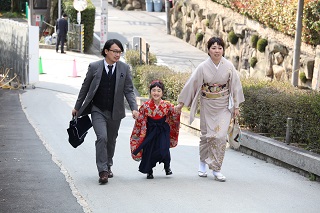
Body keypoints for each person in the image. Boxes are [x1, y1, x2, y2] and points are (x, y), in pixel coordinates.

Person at [175, 36, 245, 182]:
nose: (217, 50)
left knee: (219, 136)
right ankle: (202, 163)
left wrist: (236, 105)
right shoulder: (202, 67)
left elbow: (236, 86)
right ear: (208, 50)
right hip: (207, 103)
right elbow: (192, 84)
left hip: (224, 105)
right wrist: (181, 103)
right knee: (207, 136)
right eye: (213, 48)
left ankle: (216, 168)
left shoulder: (229, 66)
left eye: (220, 48)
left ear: (223, 50)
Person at [72, 39, 139, 184]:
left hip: (116, 112)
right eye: (115, 51)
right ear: (106, 51)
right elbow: (85, 88)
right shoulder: (94, 67)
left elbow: (129, 90)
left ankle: (108, 165)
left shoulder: (124, 68)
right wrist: (77, 107)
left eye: (120, 52)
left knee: (111, 140)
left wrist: (134, 108)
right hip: (98, 109)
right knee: (102, 137)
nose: (117, 54)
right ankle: (102, 171)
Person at [130, 80, 181, 179]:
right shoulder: (145, 106)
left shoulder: (167, 105)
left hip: (163, 129)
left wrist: (178, 109)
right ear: (150, 92)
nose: (156, 93)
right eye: (153, 90)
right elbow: (141, 118)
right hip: (150, 130)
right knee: (149, 150)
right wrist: (136, 115)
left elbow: (174, 113)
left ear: (162, 92)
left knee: (164, 149)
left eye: (158, 90)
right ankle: (149, 170)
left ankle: (167, 166)